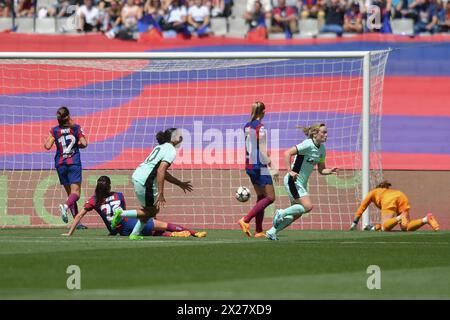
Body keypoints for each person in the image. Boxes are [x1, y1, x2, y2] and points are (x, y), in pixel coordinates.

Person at [110, 128, 193, 240]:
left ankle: (134, 234)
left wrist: (179, 183)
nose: (181, 138)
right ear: (173, 139)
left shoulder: (160, 147)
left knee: (148, 210)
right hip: (146, 181)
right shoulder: (171, 150)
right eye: (179, 136)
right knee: (153, 211)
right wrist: (161, 193)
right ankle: (121, 213)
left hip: (138, 176)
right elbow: (160, 171)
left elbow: (161, 171)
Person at [62, 176, 206, 237]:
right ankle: (194, 233)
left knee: (153, 233)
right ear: (110, 186)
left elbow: (79, 215)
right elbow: (124, 213)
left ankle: (175, 235)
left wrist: (70, 233)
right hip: (129, 222)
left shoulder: (94, 200)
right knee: (163, 225)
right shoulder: (118, 195)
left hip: (123, 231)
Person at [266, 123, 338, 240]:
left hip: (301, 183)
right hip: (293, 180)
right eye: (323, 132)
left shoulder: (323, 150)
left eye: (326, 132)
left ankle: (272, 231)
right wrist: (290, 171)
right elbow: (287, 153)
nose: (326, 135)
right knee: (308, 206)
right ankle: (281, 213)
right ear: (315, 134)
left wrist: (329, 171)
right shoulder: (307, 144)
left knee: (297, 213)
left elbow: (321, 169)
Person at [238, 102, 277, 238]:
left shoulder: (246, 126)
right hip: (259, 165)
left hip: (249, 165)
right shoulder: (261, 128)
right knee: (271, 197)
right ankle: (245, 220)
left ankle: (259, 231)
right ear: (264, 112)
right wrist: (272, 165)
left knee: (261, 197)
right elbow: (261, 148)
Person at [44, 106, 88, 229]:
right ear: (68, 116)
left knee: (70, 194)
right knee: (76, 194)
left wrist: (45, 141)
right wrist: (77, 145)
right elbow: (84, 143)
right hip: (73, 162)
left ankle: (77, 224)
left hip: (60, 163)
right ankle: (65, 206)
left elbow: (47, 146)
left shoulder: (54, 130)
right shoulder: (76, 128)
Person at [349, 180, 439, 232]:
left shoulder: (373, 192)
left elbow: (362, 208)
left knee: (385, 227)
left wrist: (354, 223)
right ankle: (426, 219)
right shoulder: (390, 191)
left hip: (389, 200)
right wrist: (375, 227)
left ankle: (399, 217)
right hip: (401, 196)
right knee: (406, 228)